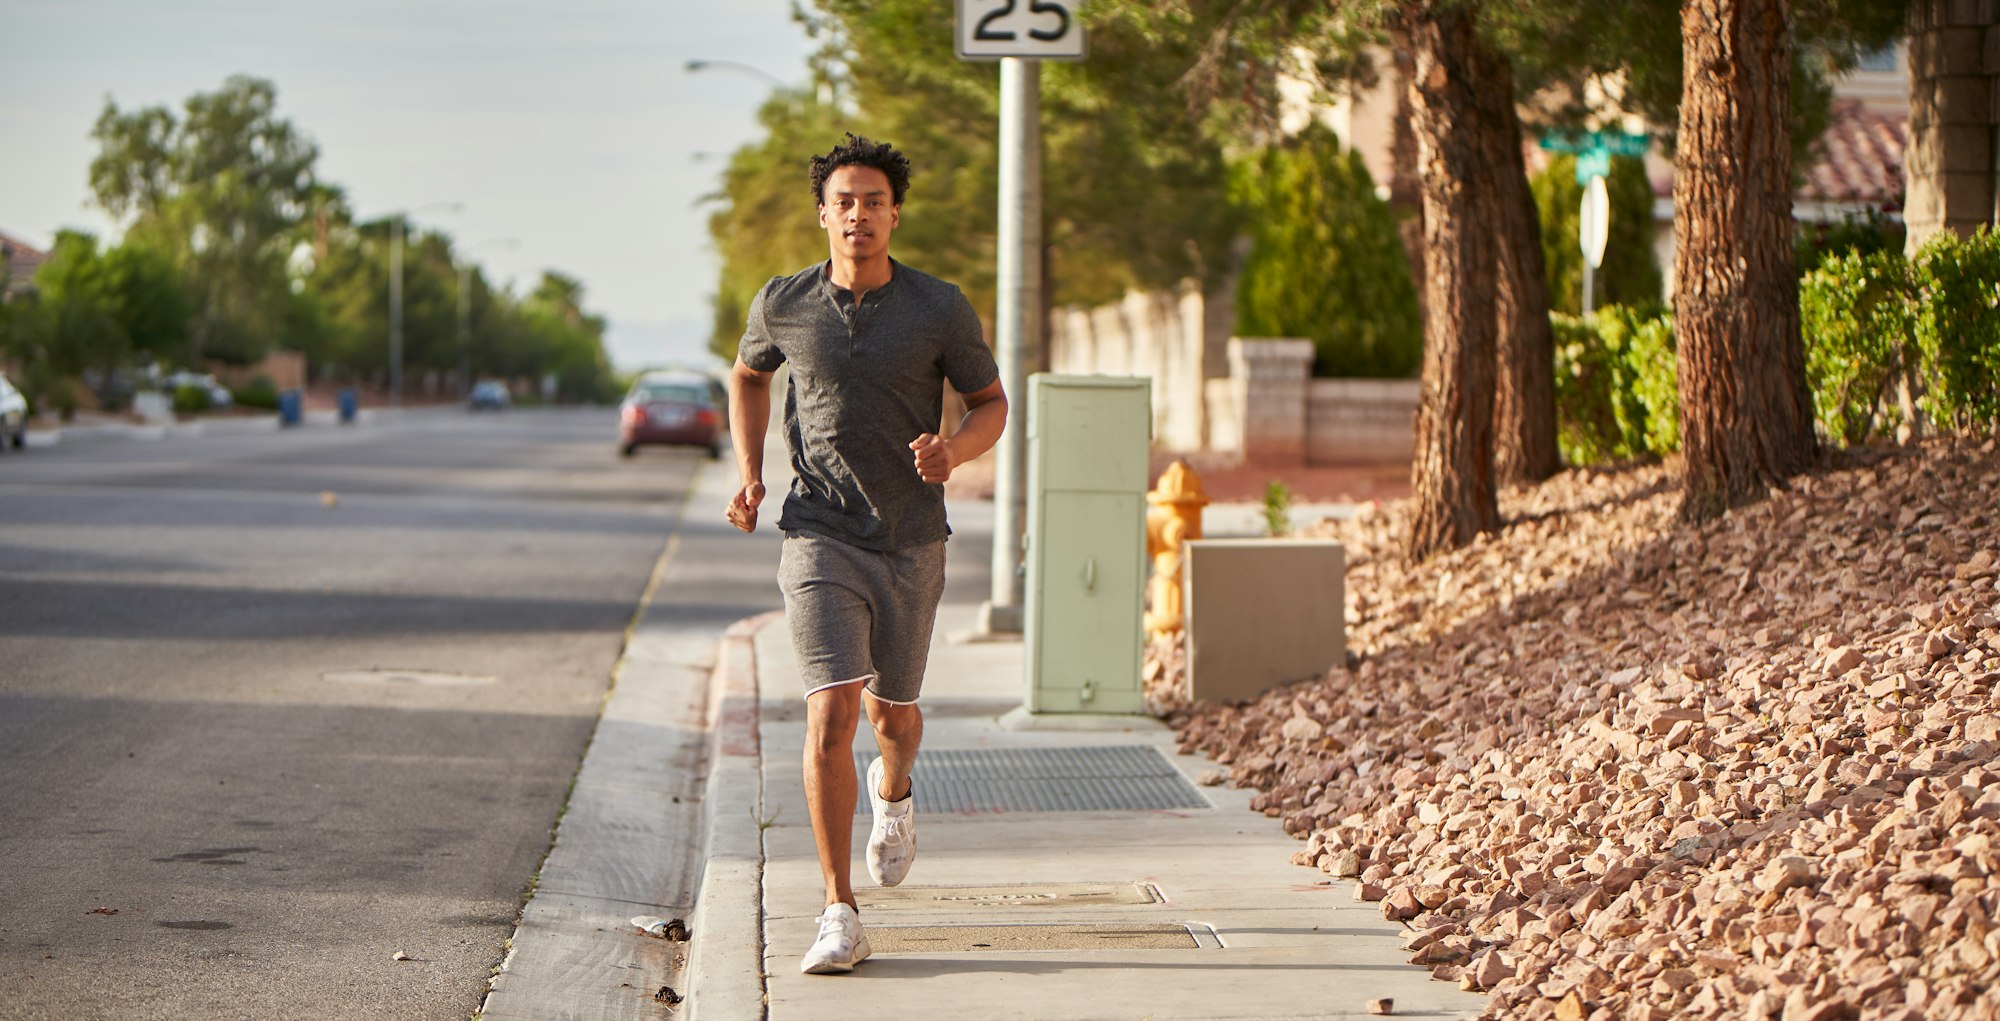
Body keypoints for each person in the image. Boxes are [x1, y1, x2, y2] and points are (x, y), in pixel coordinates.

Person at [725, 133, 1007, 975]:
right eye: (844, 202)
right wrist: (750, 473)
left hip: (912, 539)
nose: (859, 215)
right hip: (817, 533)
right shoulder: (784, 302)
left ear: (894, 214)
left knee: (892, 717)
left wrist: (954, 451)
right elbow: (746, 375)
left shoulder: (939, 307)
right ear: (823, 214)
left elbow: (990, 403)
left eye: (874, 202)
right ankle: (838, 910)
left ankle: (895, 789)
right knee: (831, 712)